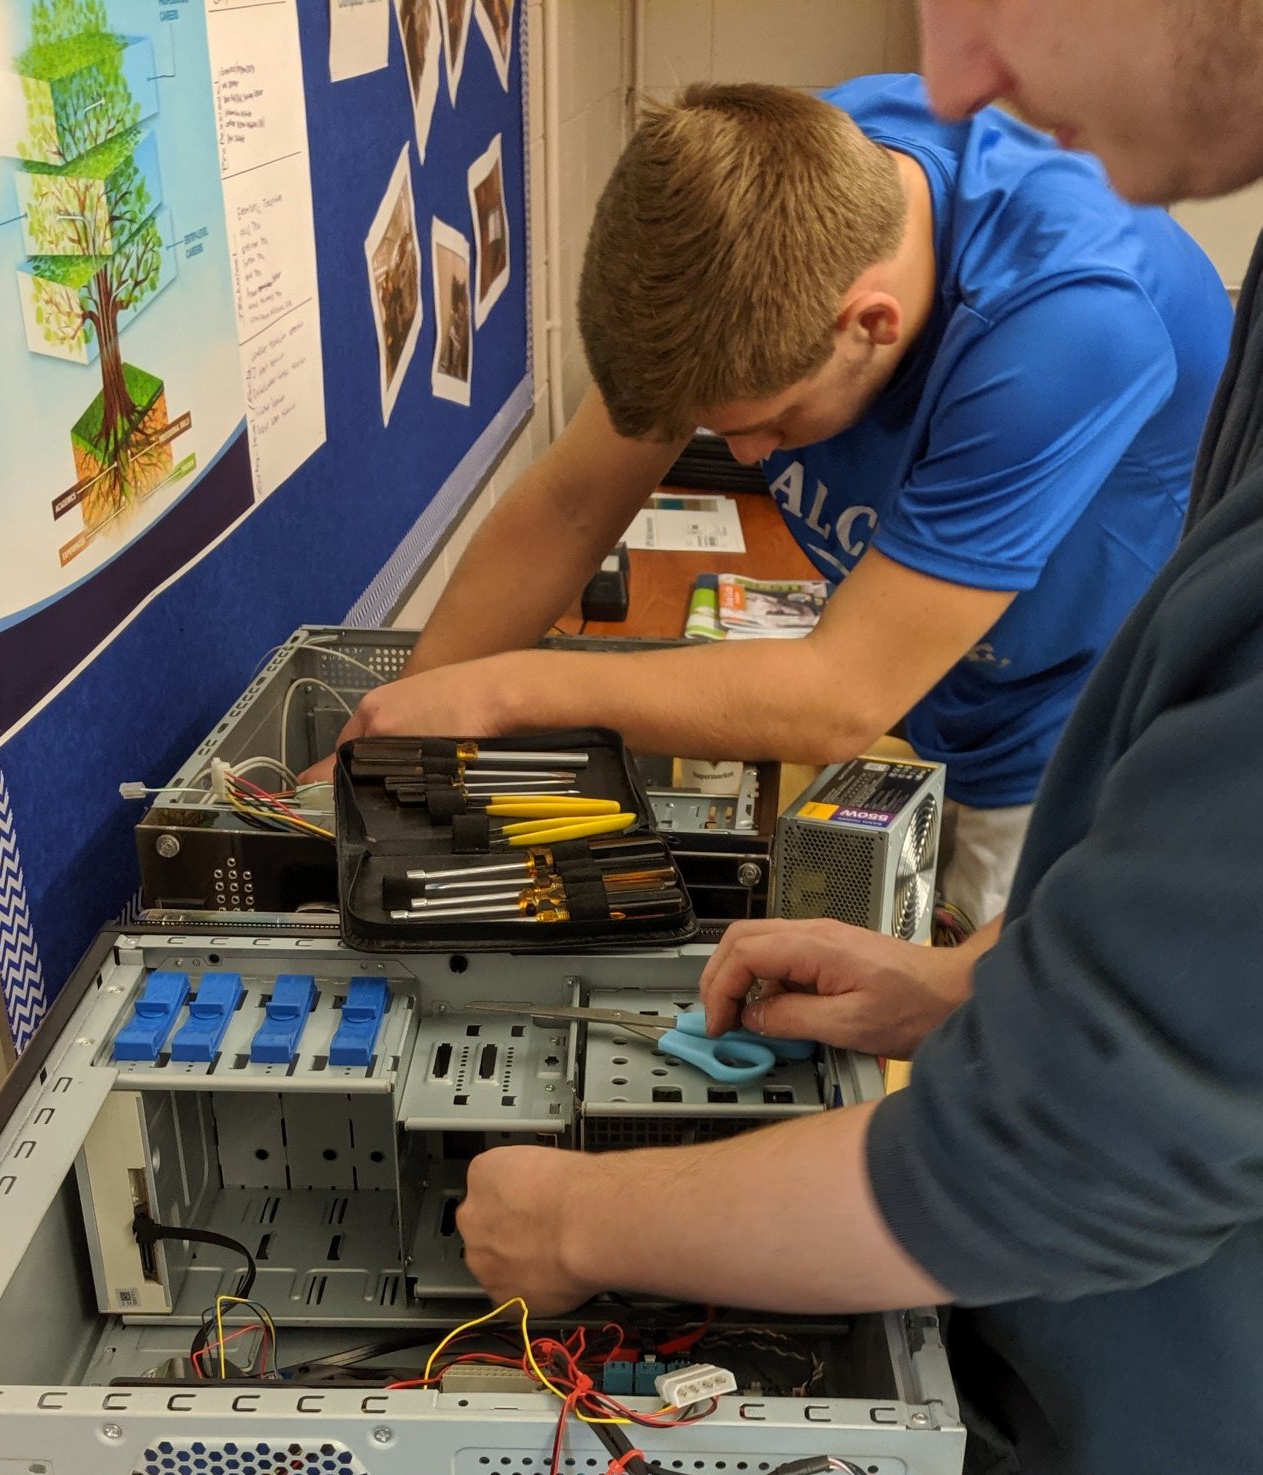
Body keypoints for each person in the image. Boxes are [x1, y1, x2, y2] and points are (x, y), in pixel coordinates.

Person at [456, 5, 1263, 1475]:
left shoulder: (1079, 310)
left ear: (875, 332)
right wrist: (964, 987)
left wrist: (583, 1220)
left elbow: (1046, 1139)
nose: (961, 64)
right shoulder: (812, 171)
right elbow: (1196, 940)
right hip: (1102, 1081)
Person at [322, 77, 1231, 924]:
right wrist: (398, 734)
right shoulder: (769, 203)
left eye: (768, 424)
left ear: (869, 325)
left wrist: (502, 694)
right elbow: (569, 505)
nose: (747, 457)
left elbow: (839, 694)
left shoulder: (1071, 328)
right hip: (927, 676)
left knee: (988, 1007)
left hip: (1071, 723)